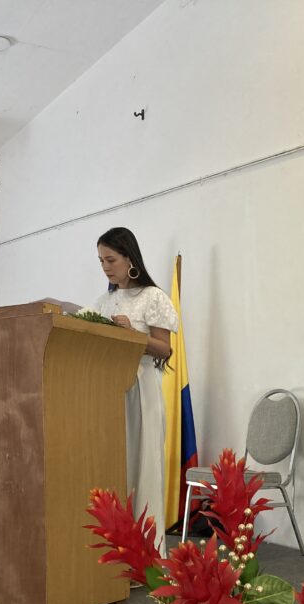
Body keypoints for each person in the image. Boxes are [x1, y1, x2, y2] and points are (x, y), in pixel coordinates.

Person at [93, 227, 178, 546]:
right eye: (100, 260)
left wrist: (133, 336)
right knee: (116, 468)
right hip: (109, 391)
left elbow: (164, 350)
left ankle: (147, 555)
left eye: (110, 259)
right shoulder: (104, 301)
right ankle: (117, 552)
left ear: (130, 258)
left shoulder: (152, 297)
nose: (105, 267)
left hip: (142, 387)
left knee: (144, 467)